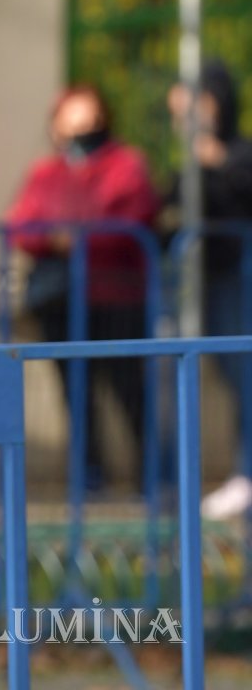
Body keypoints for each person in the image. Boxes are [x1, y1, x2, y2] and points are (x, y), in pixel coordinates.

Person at [7, 85, 159, 492]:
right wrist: (61, 237)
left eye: (89, 122)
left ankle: (155, 475)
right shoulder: (46, 172)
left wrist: (76, 235)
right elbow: (21, 226)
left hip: (115, 296)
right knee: (76, 392)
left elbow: (130, 217)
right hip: (60, 299)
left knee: (128, 387)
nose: (80, 132)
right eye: (71, 122)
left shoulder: (126, 165)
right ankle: (90, 473)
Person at [163, 61, 252, 518]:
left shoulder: (238, 154)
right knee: (236, 378)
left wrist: (218, 161)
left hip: (241, 278)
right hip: (214, 281)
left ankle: (247, 473)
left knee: (247, 377)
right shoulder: (190, 166)